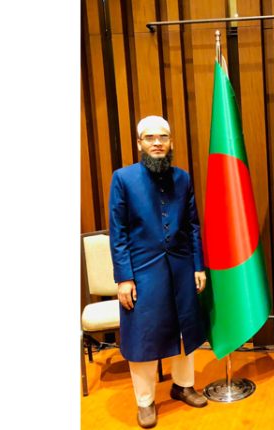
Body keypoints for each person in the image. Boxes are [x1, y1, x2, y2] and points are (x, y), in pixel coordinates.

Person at [109, 115, 209, 428]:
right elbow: (118, 232)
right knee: (144, 335)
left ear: (171, 142)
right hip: (142, 272)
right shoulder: (123, 179)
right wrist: (124, 278)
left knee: (184, 329)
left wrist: (198, 266)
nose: (157, 143)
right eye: (150, 137)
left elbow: (193, 226)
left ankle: (183, 386)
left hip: (181, 267)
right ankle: (145, 402)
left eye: (163, 137)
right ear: (139, 143)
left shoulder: (183, 178)